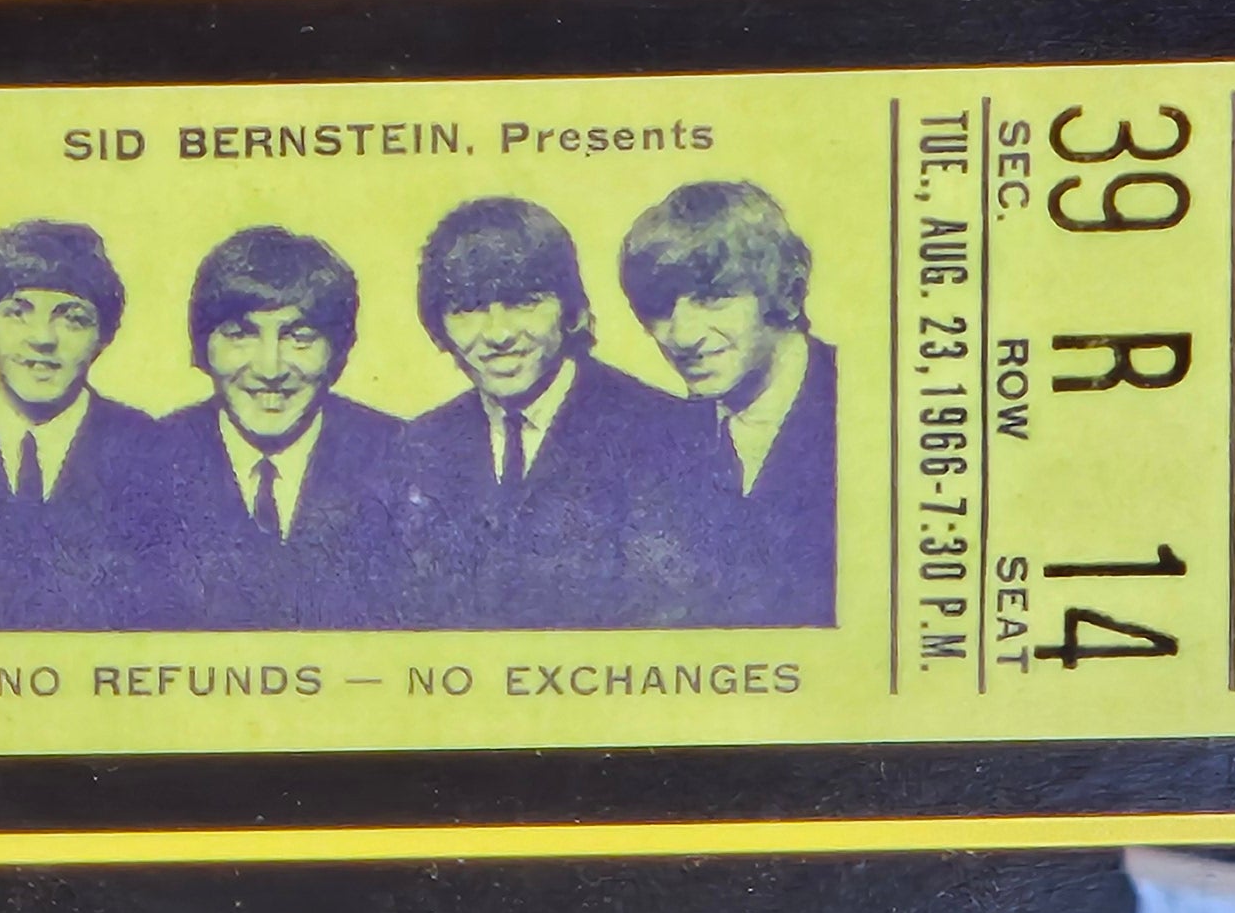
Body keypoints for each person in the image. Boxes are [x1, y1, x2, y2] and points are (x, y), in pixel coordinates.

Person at [388, 198, 713, 629]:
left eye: (524, 302)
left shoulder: (664, 432)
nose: (498, 334)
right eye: (468, 309)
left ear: (569, 309)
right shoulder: (420, 445)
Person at [135, 226, 402, 629]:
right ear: (203, 346)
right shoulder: (147, 458)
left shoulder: (399, 455)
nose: (270, 369)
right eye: (240, 335)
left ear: (338, 350)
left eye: (300, 338)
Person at [619, 183, 838, 627]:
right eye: (661, 308)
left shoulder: (863, 405)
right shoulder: (655, 440)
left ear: (782, 292)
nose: (683, 336)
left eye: (712, 298)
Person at [0, 219, 158, 630]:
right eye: (17, 313)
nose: (42, 338)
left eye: (72, 319)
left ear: (103, 338)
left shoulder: (147, 446)